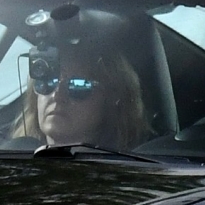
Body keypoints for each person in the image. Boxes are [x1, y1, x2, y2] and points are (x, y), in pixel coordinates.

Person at [15, 38, 149, 151]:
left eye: (77, 86)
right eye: (47, 82)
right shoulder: (12, 160)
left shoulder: (127, 173)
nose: (57, 96)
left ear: (112, 98)